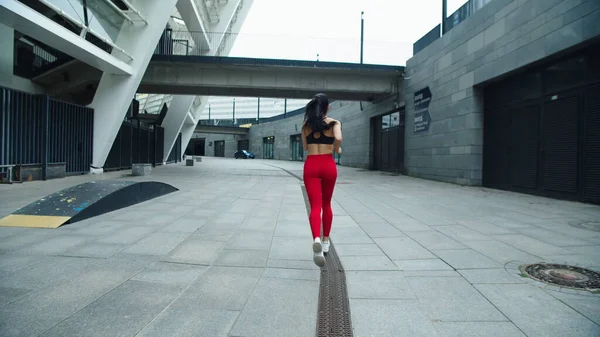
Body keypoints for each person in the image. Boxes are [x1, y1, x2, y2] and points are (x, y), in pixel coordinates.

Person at [301, 93, 343, 267]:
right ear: (327, 107)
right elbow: (338, 138)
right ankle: (325, 241)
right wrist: (336, 148)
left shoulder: (306, 125)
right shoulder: (334, 123)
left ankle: (316, 238)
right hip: (327, 164)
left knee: (315, 206)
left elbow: (304, 147)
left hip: (311, 164)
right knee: (327, 204)